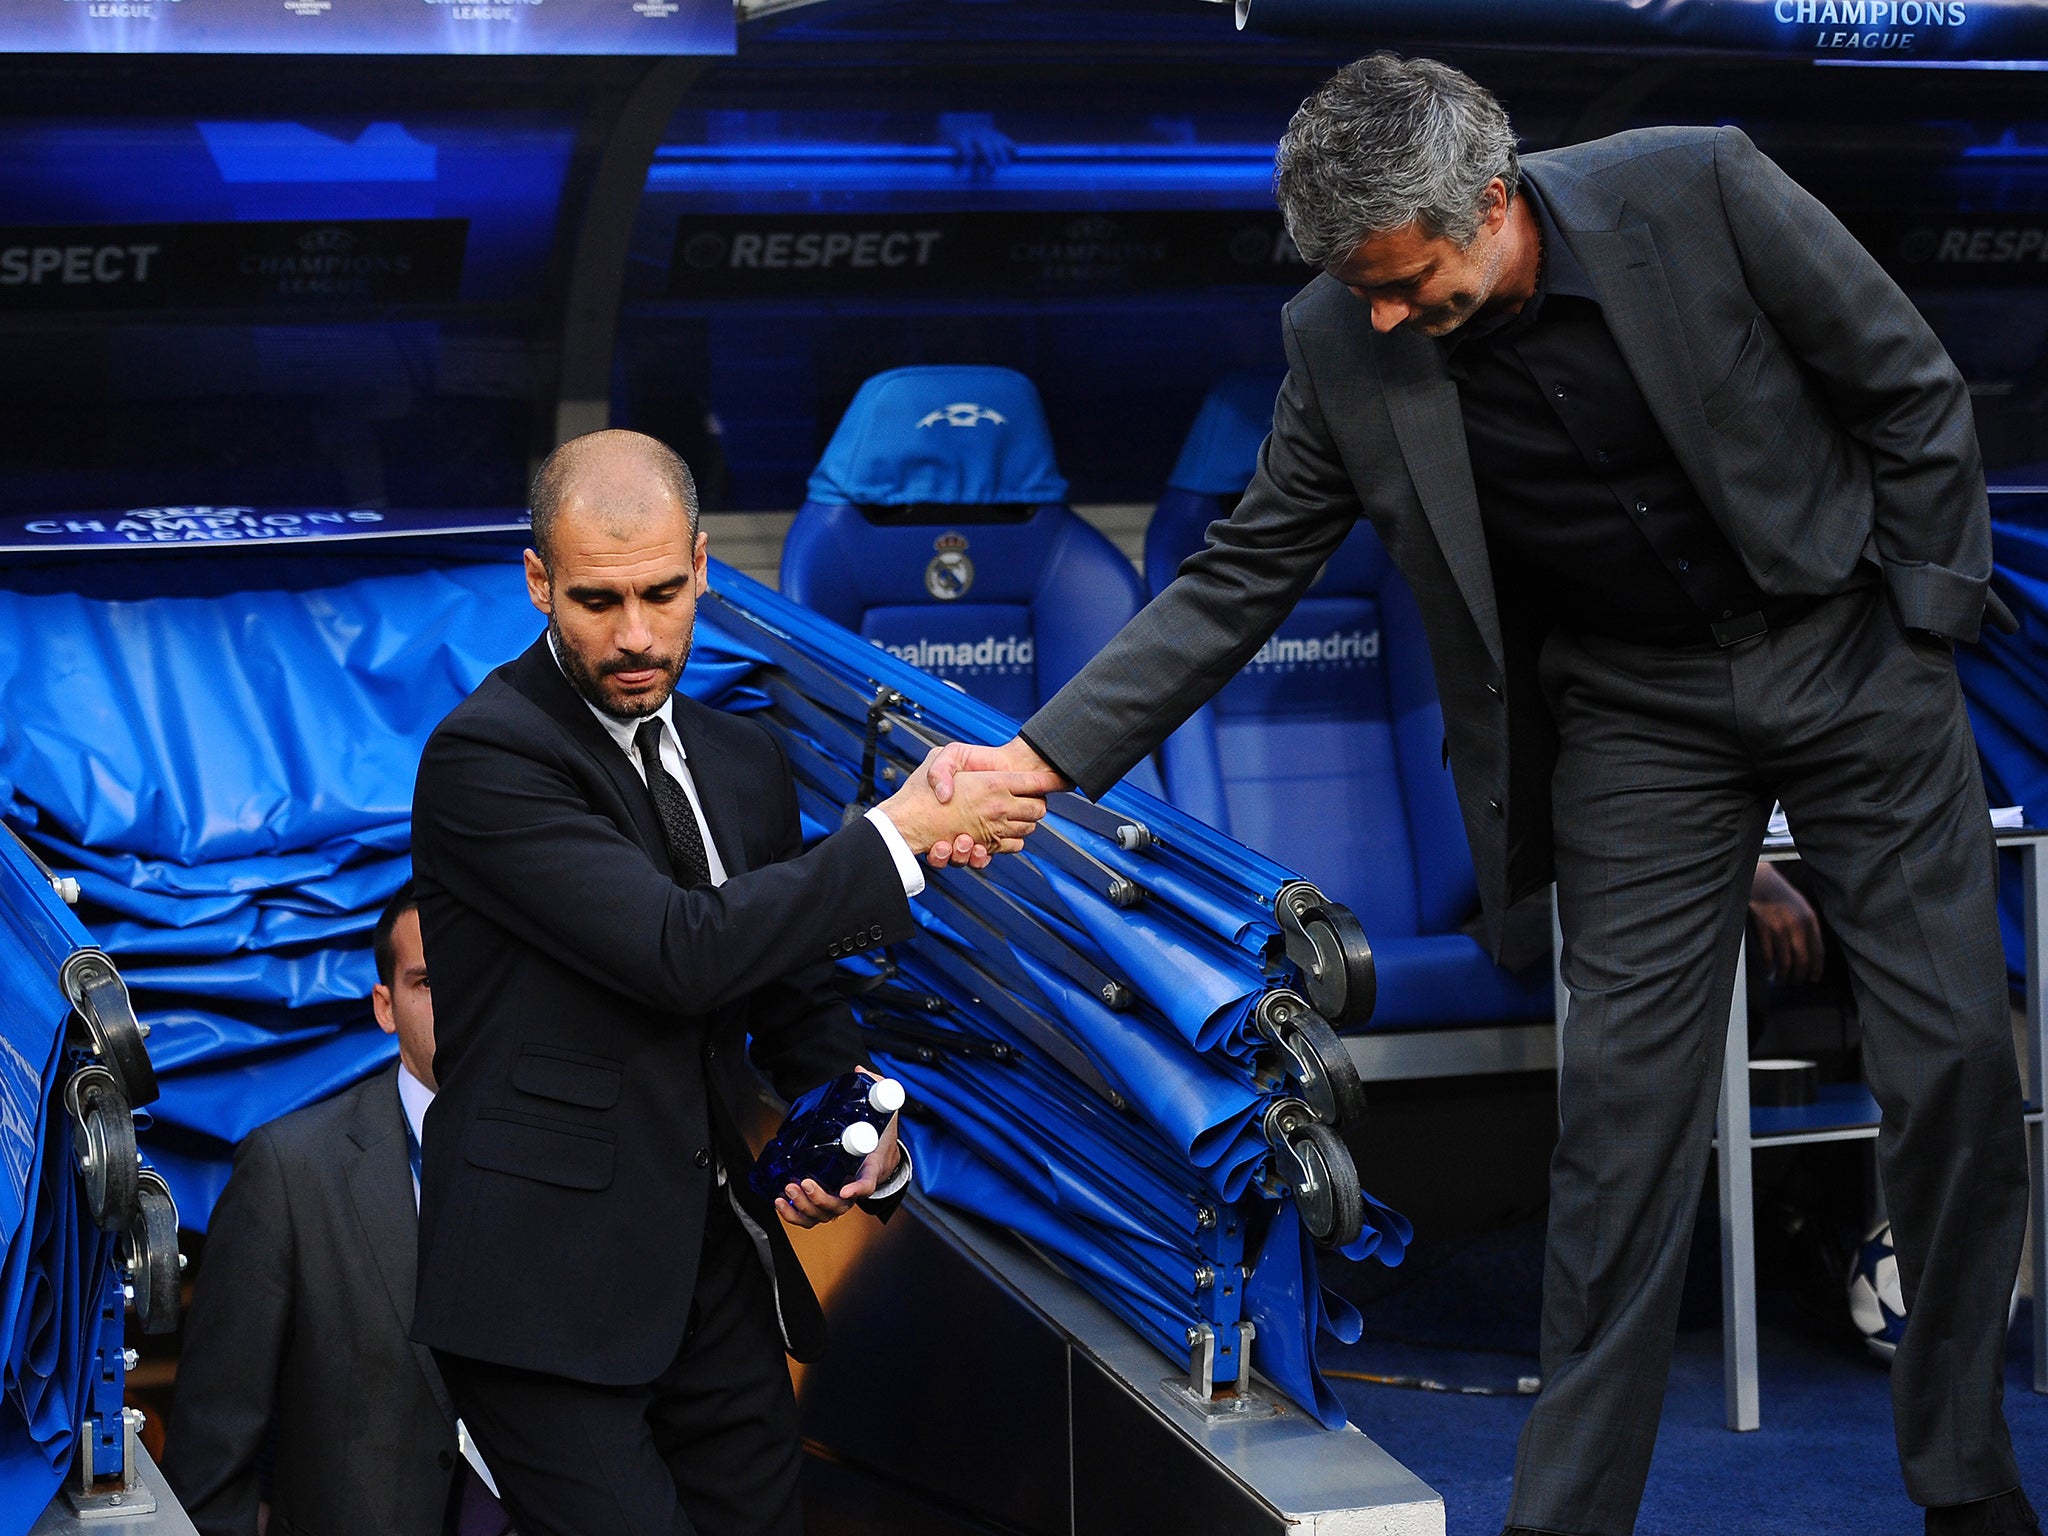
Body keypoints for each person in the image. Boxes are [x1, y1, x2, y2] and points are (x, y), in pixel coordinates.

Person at [930, 55, 2036, 1536]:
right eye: (1358, 287)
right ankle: (1562, 1522)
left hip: (1847, 654)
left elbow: (1905, 388)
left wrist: (1923, 627)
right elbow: (1245, 571)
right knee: (1619, 1136)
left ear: (1495, 202)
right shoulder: (1340, 336)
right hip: (1634, 718)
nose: (1383, 316)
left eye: (1407, 280)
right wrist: (1043, 759)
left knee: (1956, 1066)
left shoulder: (1698, 186)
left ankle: (1966, 1484)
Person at [406, 428, 1055, 1536]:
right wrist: (898, 832)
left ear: (703, 566)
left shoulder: (739, 757)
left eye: (662, 593)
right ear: (536, 585)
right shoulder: (486, 756)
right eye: (596, 603)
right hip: (542, 1295)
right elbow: (679, 949)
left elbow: (789, 989)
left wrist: (860, 1131)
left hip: (712, 1271)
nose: (637, 636)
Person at [164, 884, 511, 1536]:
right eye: (431, 982)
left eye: (479, 973)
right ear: (386, 1007)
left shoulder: (575, 1157)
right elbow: (213, 1449)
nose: (461, 1003)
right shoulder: (291, 1172)